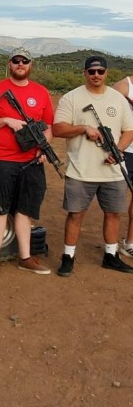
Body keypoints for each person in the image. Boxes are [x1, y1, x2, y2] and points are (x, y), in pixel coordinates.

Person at [54, 56, 133, 276]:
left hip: (114, 171)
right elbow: (58, 129)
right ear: (85, 73)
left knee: (113, 214)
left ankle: (111, 255)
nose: (96, 75)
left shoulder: (118, 99)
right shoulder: (71, 98)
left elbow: (129, 130)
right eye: (91, 72)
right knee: (75, 215)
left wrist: (118, 151)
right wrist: (83, 128)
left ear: (107, 73)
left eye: (100, 71)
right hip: (81, 170)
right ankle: (68, 256)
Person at [0, 47, 52, 280]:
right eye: (16, 60)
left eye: (24, 61)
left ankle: (25, 257)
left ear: (31, 65)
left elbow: (48, 127)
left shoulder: (41, 92)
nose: (20, 64)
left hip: (31, 161)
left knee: (24, 210)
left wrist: (44, 148)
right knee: (0, 208)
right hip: (1, 159)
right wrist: (5, 121)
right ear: (9, 64)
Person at [112, 74, 133, 258]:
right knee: (115, 199)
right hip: (125, 151)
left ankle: (130, 243)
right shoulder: (122, 87)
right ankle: (110, 246)